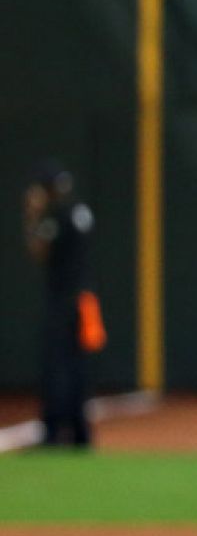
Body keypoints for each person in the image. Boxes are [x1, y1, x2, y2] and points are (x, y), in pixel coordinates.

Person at [22, 160, 101, 448]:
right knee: (78, 365)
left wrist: (32, 215)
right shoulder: (81, 211)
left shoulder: (55, 215)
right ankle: (81, 432)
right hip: (85, 300)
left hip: (63, 300)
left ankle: (54, 433)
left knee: (56, 365)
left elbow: (40, 252)